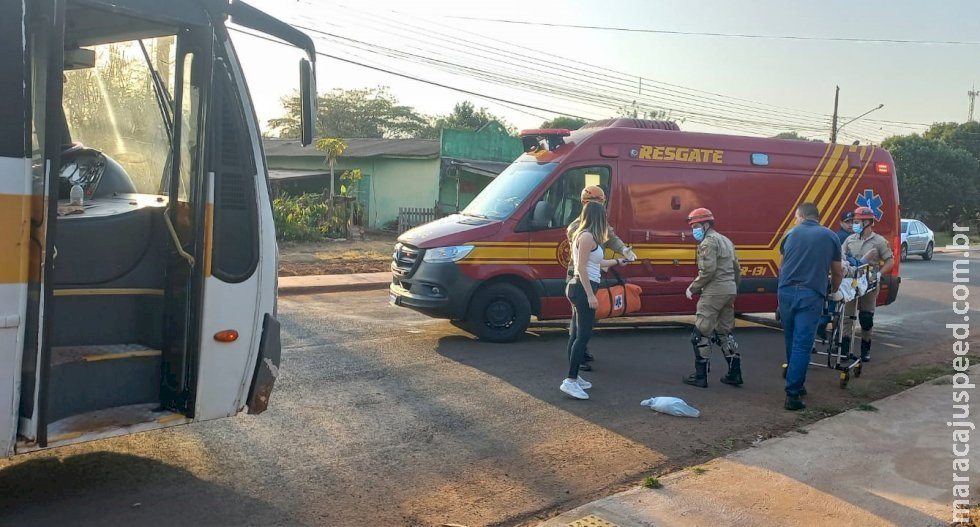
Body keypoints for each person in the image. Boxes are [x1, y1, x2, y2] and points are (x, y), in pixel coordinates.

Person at [778, 202, 843, 410]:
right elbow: (838, 271)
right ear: (817, 217)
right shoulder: (830, 236)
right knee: (803, 343)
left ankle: (795, 379)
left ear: (801, 216)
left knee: (790, 337)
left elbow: (782, 265)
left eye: (797, 217)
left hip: (786, 291)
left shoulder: (789, 234)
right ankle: (793, 393)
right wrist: (833, 290)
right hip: (810, 293)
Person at [565, 185, 636, 371]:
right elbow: (582, 265)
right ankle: (575, 363)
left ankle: (580, 352)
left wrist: (623, 252)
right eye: (599, 203)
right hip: (580, 278)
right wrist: (590, 294)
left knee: (585, 323)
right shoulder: (579, 228)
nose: (602, 207)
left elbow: (611, 237)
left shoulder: (597, 225)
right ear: (587, 204)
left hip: (590, 276)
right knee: (579, 324)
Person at [561, 201, 627, 399]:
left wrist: (619, 261)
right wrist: (591, 295)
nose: (606, 221)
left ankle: (575, 376)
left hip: (581, 287)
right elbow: (581, 268)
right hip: (582, 288)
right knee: (583, 335)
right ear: (597, 217)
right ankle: (570, 380)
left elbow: (597, 262)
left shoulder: (588, 236)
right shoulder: (588, 236)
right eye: (604, 217)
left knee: (578, 334)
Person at [682, 208, 742, 388]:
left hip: (714, 291)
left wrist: (692, 287)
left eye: (696, 225)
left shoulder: (708, 243)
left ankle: (700, 376)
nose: (694, 230)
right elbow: (737, 269)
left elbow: (708, 270)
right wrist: (732, 288)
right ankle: (735, 373)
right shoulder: (726, 241)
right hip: (729, 289)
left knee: (701, 333)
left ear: (706, 224)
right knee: (724, 332)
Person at [841, 206, 895, 362]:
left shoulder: (879, 241)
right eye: (853, 222)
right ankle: (845, 350)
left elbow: (890, 261)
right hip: (852, 284)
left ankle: (865, 350)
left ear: (867, 222)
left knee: (866, 318)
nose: (854, 225)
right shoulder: (850, 239)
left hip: (869, 285)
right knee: (847, 317)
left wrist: (879, 273)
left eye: (857, 221)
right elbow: (842, 255)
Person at [816, 210, 856, 340]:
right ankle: (828, 328)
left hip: (830, 274)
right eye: (847, 222)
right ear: (841, 223)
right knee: (835, 303)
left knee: (830, 304)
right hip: (839, 275)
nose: (850, 225)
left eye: (852, 222)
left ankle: (824, 324)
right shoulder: (843, 237)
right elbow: (843, 260)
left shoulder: (839, 235)